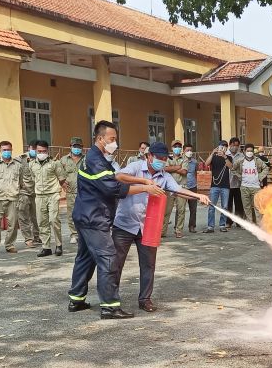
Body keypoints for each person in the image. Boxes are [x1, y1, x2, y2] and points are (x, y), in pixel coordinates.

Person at [68, 120, 162, 319]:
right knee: (108, 258)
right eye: (112, 139)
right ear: (100, 139)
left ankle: (76, 299)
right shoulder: (95, 160)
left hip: (86, 216)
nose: (115, 143)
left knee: (85, 258)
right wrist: (146, 188)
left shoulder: (96, 158)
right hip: (94, 218)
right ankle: (110, 307)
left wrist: (143, 180)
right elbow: (114, 188)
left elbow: (116, 178)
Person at [113, 142, 210, 311]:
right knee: (116, 264)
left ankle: (145, 299)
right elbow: (118, 176)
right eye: (159, 158)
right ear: (149, 156)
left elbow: (178, 189)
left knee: (149, 264)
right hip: (124, 224)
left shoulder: (164, 175)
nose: (162, 162)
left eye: (165, 159)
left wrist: (198, 195)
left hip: (148, 226)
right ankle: (111, 300)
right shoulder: (135, 166)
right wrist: (144, 182)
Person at [0, 141, 25, 255]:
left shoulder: (18, 165)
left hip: (13, 198)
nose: (6, 152)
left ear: (12, 150)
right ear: (0, 150)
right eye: (4, 150)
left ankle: (10, 245)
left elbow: (20, 181)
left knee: (13, 223)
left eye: (8, 150)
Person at [30, 140, 66, 257]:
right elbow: (32, 178)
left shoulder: (55, 163)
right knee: (41, 222)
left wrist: (62, 191)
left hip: (53, 194)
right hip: (39, 195)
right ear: (35, 151)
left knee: (53, 219)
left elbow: (61, 178)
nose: (41, 153)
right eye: (39, 151)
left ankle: (58, 245)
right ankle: (46, 247)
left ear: (47, 151)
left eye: (44, 151)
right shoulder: (32, 164)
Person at [233, 144, 268, 224]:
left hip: (256, 187)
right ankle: (250, 224)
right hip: (244, 187)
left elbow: (266, 168)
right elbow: (233, 169)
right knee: (247, 207)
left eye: (251, 151)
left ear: (254, 152)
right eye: (248, 151)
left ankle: (259, 224)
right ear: (244, 151)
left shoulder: (258, 160)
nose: (249, 152)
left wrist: (260, 177)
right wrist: (239, 176)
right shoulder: (240, 161)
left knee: (257, 206)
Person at [203, 141, 233, 233]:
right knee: (212, 206)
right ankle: (210, 226)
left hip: (225, 186)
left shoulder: (229, 157)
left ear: (227, 148)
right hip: (214, 185)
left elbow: (231, 166)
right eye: (221, 146)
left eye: (225, 146)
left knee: (224, 206)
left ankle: (222, 225)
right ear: (218, 147)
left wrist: (224, 156)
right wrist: (212, 153)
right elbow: (206, 164)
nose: (223, 148)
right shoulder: (214, 156)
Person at [60, 137, 84, 245]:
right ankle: (74, 234)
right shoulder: (64, 160)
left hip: (84, 191)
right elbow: (59, 173)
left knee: (84, 213)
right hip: (70, 192)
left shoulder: (86, 159)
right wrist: (62, 182)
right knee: (72, 214)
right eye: (75, 146)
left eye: (79, 147)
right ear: (70, 147)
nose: (77, 149)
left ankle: (83, 234)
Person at [161, 140, 188, 238]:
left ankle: (178, 230)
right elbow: (165, 169)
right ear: (172, 148)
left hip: (181, 187)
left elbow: (184, 171)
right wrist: (177, 167)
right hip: (169, 188)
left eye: (179, 146)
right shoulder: (167, 157)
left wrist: (172, 168)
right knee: (166, 210)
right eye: (175, 146)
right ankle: (162, 231)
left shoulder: (185, 158)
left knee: (181, 210)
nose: (177, 148)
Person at [15, 146, 40, 248]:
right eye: (32, 148)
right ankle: (28, 239)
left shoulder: (42, 158)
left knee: (36, 217)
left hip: (37, 193)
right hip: (23, 192)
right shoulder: (20, 159)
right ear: (29, 148)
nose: (34, 150)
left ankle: (37, 236)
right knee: (23, 216)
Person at [225, 137, 245, 230]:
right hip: (227, 183)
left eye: (237, 145)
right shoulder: (224, 154)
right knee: (228, 204)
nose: (235, 147)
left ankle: (239, 221)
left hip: (238, 183)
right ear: (230, 145)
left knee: (239, 204)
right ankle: (228, 222)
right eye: (233, 145)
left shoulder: (241, 156)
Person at [182, 143, 199, 233]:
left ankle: (192, 226)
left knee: (193, 208)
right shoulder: (180, 161)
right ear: (183, 151)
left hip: (193, 186)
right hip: (183, 187)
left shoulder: (195, 162)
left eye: (191, 150)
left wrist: (196, 183)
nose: (189, 152)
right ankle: (178, 228)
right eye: (187, 150)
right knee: (181, 208)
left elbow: (195, 173)